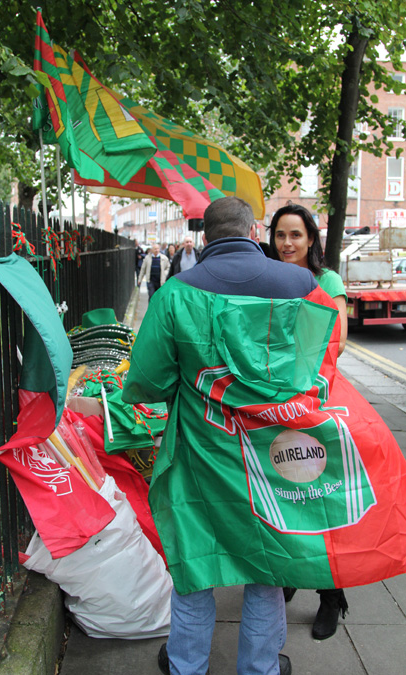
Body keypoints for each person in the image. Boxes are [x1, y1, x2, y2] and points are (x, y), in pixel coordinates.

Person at [123, 196, 324, 675]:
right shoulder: (301, 284)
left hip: (201, 453)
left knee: (195, 565)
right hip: (275, 453)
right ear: (254, 230)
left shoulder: (176, 292)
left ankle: (186, 665)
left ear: (205, 237)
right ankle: (260, 667)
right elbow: (316, 366)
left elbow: (147, 381)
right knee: (268, 565)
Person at [268, 202, 349, 639]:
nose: (287, 243)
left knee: (320, 498)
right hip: (275, 405)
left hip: (317, 402)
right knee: (284, 494)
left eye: (296, 235)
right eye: (281, 234)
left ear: (311, 239)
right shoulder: (266, 277)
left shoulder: (327, 280)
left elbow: (336, 342)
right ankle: (288, 572)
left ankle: (331, 595)